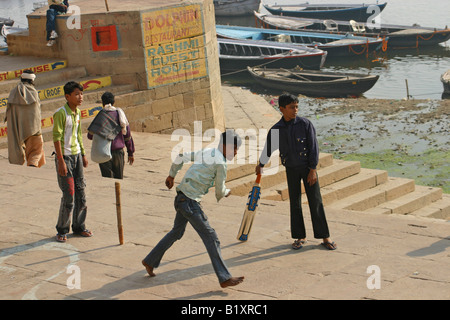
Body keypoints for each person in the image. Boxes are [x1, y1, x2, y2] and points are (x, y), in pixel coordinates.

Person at [142, 130, 245, 288]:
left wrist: (171, 175)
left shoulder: (207, 152)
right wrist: (227, 192)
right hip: (190, 203)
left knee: (176, 232)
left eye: (237, 149)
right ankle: (224, 277)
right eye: (234, 148)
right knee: (211, 237)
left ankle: (150, 261)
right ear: (224, 146)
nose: (236, 152)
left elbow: (181, 157)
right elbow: (219, 190)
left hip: (181, 198)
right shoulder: (221, 164)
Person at [255, 93, 337, 250]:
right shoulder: (276, 129)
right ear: (282, 109)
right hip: (291, 169)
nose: (295, 110)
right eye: (292, 107)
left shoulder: (305, 124)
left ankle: (325, 237)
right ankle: (300, 236)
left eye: (297, 107)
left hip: (308, 169)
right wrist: (261, 164)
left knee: (316, 202)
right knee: (295, 203)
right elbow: (269, 148)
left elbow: (314, 147)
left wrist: (313, 169)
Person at [52, 81, 92, 242]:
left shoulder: (77, 113)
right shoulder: (61, 113)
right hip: (65, 158)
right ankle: (62, 229)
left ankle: (79, 226)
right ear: (67, 96)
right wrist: (61, 161)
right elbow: (56, 138)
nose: (80, 97)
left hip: (76, 157)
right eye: (76, 94)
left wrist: (82, 154)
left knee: (81, 192)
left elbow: (79, 135)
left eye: (81, 94)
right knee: (69, 195)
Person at [87, 92, 135, 179]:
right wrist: (130, 152)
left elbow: (90, 136)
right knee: (118, 179)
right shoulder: (120, 114)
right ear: (114, 102)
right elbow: (127, 136)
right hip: (118, 152)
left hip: (103, 152)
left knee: (107, 179)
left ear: (102, 103)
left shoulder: (100, 116)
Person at [5, 70, 46, 168]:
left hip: (17, 125)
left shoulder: (13, 92)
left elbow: (9, 111)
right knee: (36, 148)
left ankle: (19, 162)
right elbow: (36, 113)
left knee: (17, 145)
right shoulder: (33, 92)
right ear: (32, 80)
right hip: (33, 127)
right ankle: (32, 163)